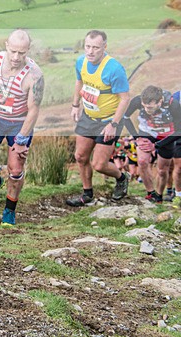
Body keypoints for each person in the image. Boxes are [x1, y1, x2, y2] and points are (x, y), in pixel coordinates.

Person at [0, 30, 44, 227]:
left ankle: (9, 210)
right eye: (13, 51)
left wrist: (21, 140)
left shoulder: (35, 75)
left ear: (27, 51)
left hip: (19, 124)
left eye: (21, 53)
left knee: (15, 169)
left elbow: (33, 111)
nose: (16, 57)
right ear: (6, 45)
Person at [67, 30, 131, 206]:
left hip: (109, 121)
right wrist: (75, 105)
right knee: (80, 156)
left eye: (95, 47)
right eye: (87, 46)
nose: (90, 51)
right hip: (88, 117)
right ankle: (87, 194)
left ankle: (122, 177)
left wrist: (113, 124)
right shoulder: (81, 62)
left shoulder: (114, 69)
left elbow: (125, 98)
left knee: (99, 165)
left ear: (104, 47)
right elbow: (79, 82)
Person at [122, 85, 181, 203]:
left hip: (166, 136)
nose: (147, 110)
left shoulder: (173, 105)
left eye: (151, 108)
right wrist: (137, 138)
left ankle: (159, 195)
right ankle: (151, 193)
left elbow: (179, 131)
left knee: (162, 170)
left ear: (160, 102)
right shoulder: (137, 101)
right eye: (145, 107)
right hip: (146, 132)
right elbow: (125, 117)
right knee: (142, 162)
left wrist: (157, 145)